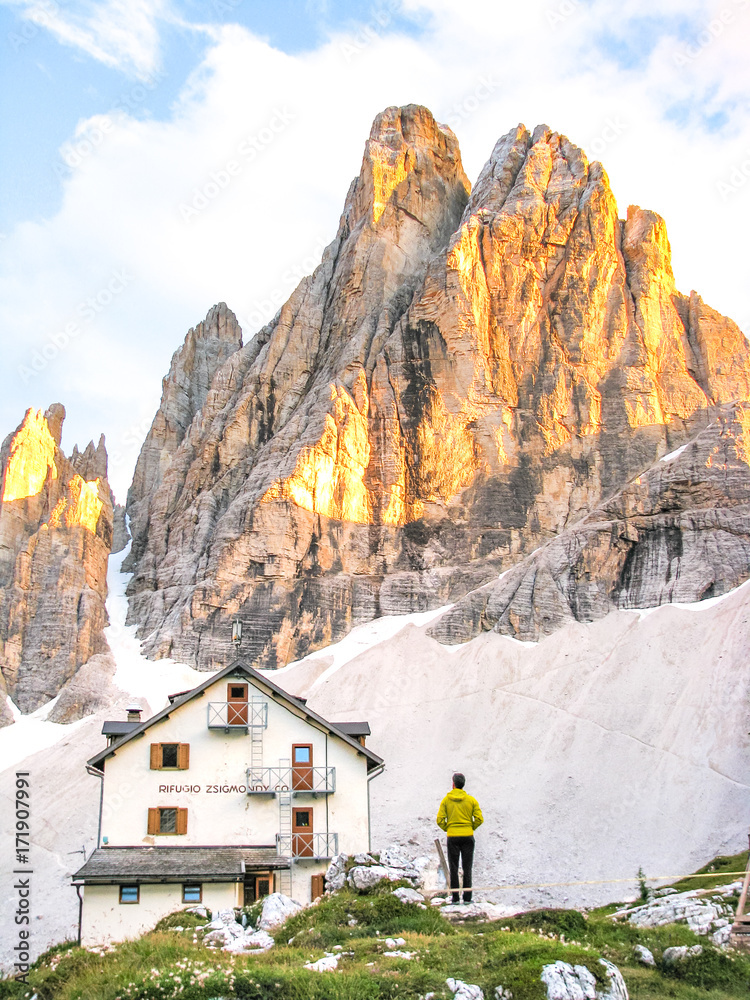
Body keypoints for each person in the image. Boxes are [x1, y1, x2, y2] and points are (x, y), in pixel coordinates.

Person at [436, 772, 483, 904]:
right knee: (467, 867)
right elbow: (479, 819)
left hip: (453, 837)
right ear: (463, 784)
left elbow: (440, 820)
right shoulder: (471, 800)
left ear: (453, 784)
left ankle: (455, 898)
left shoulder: (446, 800)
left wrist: (448, 828)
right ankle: (467, 898)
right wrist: (470, 827)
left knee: (454, 867)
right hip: (468, 836)